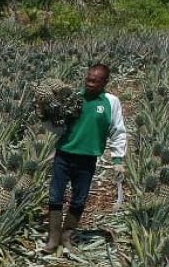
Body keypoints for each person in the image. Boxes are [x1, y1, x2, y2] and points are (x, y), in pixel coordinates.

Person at [45, 63, 128, 253]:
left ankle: (67, 236)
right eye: (88, 79)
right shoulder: (74, 98)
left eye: (95, 81)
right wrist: (45, 119)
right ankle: (53, 237)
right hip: (64, 154)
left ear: (105, 82)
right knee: (55, 195)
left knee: (79, 199)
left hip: (88, 158)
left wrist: (117, 160)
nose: (89, 83)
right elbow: (59, 129)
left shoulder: (111, 102)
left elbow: (118, 131)